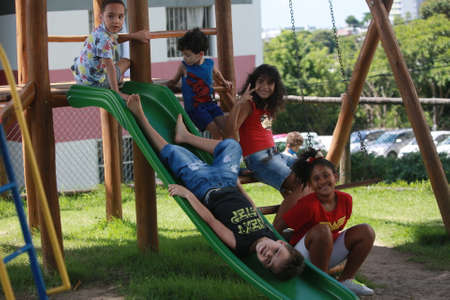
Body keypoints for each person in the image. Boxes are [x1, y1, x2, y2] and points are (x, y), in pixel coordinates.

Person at [126, 94, 304, 280]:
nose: (268, 254)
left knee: (174, 153)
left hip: (204, 186)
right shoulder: (269, 232)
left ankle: (141, 117)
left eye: (268, 261)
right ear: (281, 244)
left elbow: (211, 221)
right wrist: (236, 183)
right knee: (233, 146)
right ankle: (185, 136)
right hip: (227, 180)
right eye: (276, 252)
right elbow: (251, 206)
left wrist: (188, 194)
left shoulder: (240, 245)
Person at [273, 148, 376, 296]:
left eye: (326, 176)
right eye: (316, 179)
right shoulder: (307, 205)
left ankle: (346, 280)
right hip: (303, 257)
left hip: (325, 253)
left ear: (335, 176)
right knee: (322, 230)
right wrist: (284, 258)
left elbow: (336, 231)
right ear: (310, 184)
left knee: (366, 231)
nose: (322, 182)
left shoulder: (346, 200)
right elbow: (277, 228)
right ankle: (321, 286)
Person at [227, 64, 310, 216]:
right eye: (261, 81)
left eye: (270, 83)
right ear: (253, 83)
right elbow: (231, 130)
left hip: (275, 155)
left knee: (310, 172)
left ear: (276, 86)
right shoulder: (248, 104)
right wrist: (238, 104)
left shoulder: (266, 106)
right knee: (299, 184)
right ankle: (283, 223)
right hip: (260, 159)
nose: (265, 86)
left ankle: (300, 220)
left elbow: (264, 130)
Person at [71, 0, 151, 101]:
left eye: (120, 17)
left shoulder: (100, 31)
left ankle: (116, 82)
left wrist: (134, 36)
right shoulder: (104, 40)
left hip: (82, 80)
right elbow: (110, 67)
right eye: (110, 16)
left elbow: (116, 38)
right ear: (101, 17)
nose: (116, 21)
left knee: (115, 64)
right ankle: (116, 86)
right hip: (96, 85)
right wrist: (116, 92)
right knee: (126, 62)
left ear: (124, 18)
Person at [167, 28, 232, 139]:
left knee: (227, 128)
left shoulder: (209, 64)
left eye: (187, 55)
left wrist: (225, 82)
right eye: (183, 55)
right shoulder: (184, 67)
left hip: (211, 104)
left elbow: (217, 73)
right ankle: (216, 154)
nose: (184, 58)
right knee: (216, 132)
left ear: (200, 54)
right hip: (195, 109)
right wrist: (161, 85)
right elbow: (173, 81)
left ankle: (226, 151)